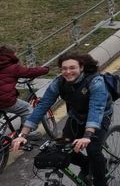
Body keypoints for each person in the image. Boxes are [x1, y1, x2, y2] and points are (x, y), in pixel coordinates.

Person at [12, 53, 113, 186]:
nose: (68, 72)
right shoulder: (59, 82)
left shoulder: (95, 81)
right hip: (76, 116)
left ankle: (101, 181)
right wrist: (23, 134)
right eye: (64, 68)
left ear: (81, 67)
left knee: (93, 150)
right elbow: (42, 106)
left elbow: (96, 109)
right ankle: (87, 164)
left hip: (100, 116)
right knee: (62, 147)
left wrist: (87, 135)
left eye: (72, 68)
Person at [0, 45, 49, 132]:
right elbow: (30, 72)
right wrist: (45, 69)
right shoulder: (13, 67)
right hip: (4, 100)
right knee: (27, 109)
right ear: (12, 55)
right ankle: (27, 134)